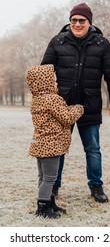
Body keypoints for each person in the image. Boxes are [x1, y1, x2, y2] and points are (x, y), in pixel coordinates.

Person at [41, 2, 110, 203]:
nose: (77, 24)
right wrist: (44, 102)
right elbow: (44, 72)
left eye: (81, 20)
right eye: (74, 20)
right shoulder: (57, 42)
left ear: (89, 22)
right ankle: (52, 187)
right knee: (57, 148)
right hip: (61, 106)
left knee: (93, 149)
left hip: (90, 105)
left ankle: (96, 186)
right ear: (70, 22)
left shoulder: (102, 43)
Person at [26, 64, 84, 218]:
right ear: (45, 82)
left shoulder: (38, 99)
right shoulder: (53, 99)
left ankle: (49, 203)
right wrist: (78, 108)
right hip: (51, 145)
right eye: (53, 80)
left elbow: (56, 114)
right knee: (50, 178)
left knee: (43, 177)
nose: (56, 82)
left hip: (39, 144)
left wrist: (67, 108)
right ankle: (43, 208)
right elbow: (67, 118)